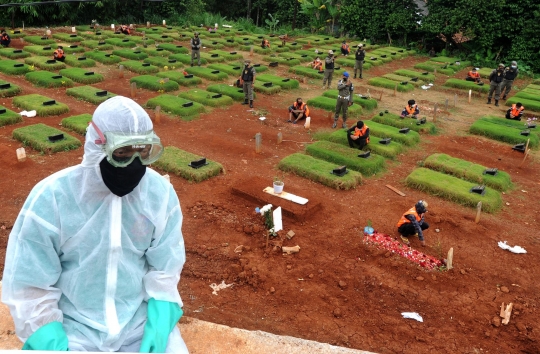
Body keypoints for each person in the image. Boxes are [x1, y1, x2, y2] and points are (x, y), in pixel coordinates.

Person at [1, 96, 189, 353]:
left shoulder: (159, 195)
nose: (133, 164)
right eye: (122, 153)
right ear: (96, 145)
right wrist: (48, 334)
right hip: (73, 331)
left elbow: (165, 267)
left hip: (137, 327)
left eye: (142, 151)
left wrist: (159, 320)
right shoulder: (53, 199)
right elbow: (30, 282)